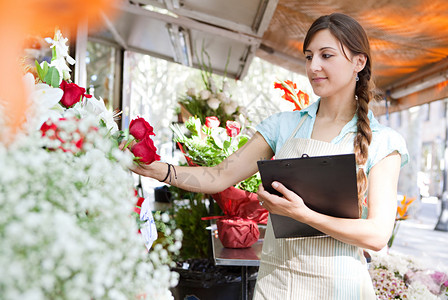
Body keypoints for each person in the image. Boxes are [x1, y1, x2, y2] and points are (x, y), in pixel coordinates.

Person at [130, 13, 408, 299]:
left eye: (326, 55)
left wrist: (303, 215)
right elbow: (220, 176)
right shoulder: (283, 125)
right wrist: (158, 170)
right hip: (277, 283)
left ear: (359, 63)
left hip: (340, 286)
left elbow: (376, 235)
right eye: (309, 56)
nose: (314, 66)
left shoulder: (384, 141)